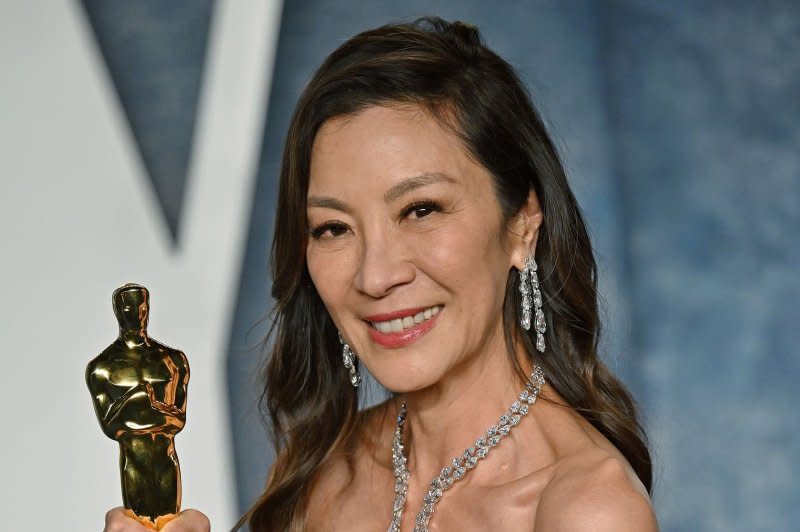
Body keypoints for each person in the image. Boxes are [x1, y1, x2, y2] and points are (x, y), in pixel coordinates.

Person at [104, 17, 658, 531]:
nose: (375, 276)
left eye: (421, 210)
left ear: (522, 225)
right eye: (333, 228)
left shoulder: (585, 508)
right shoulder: (324, 478)